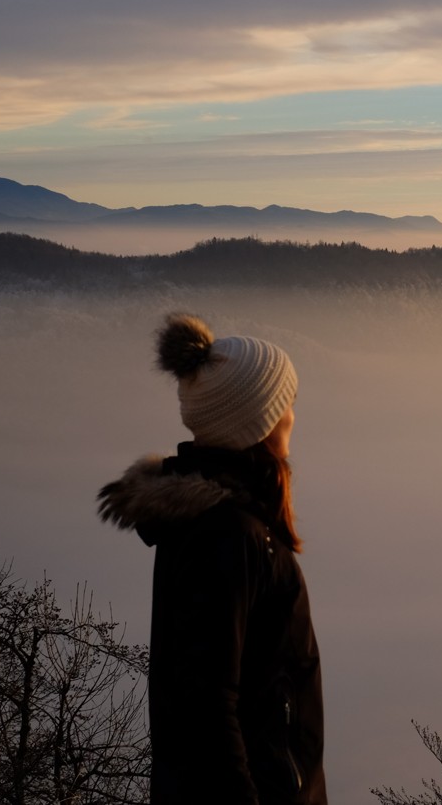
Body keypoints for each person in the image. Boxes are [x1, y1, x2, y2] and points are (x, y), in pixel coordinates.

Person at [97, 313, 326, 804]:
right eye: (285, 404)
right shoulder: (230, 535)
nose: (292, 415)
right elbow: (207, 707)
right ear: (257, 423)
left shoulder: (228, 523)